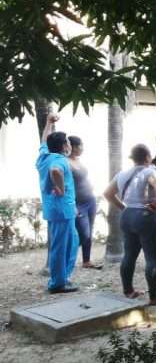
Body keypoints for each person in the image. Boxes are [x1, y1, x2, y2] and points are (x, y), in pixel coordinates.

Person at [103, 144, 156, 305]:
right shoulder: (149, 172)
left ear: (132, 158)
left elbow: (107, 193)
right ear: (148, 157)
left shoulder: (122, 174)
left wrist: (123, 207)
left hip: (127, 216)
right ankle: (154, 297)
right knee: (153, 257)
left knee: (129, 255)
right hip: (147, 217)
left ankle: (128, 291)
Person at [36, 114, 80, 293]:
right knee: (62, 246)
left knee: (71, 242)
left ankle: (62, 278)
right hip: (62, 210)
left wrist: (48, 122)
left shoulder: (44, 156)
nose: (70, 145)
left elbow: (43, 140)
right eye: (68, 142)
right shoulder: (59, 160)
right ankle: (58, 283)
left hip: (55, 209)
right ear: (64, 146)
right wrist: (60, 189)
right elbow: (55, 171)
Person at [68, 136, 102, 269]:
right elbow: (67, 186)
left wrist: (90, 185)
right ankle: (67, 258)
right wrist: (73, 205)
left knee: (89, 231)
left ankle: (86, 260)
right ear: (73, 147)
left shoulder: (78, 160)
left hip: (90, 200)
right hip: (79, 203)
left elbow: (82, 177)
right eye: (80, 146)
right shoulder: (66, 162)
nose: (82, 148)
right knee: (83, 233)